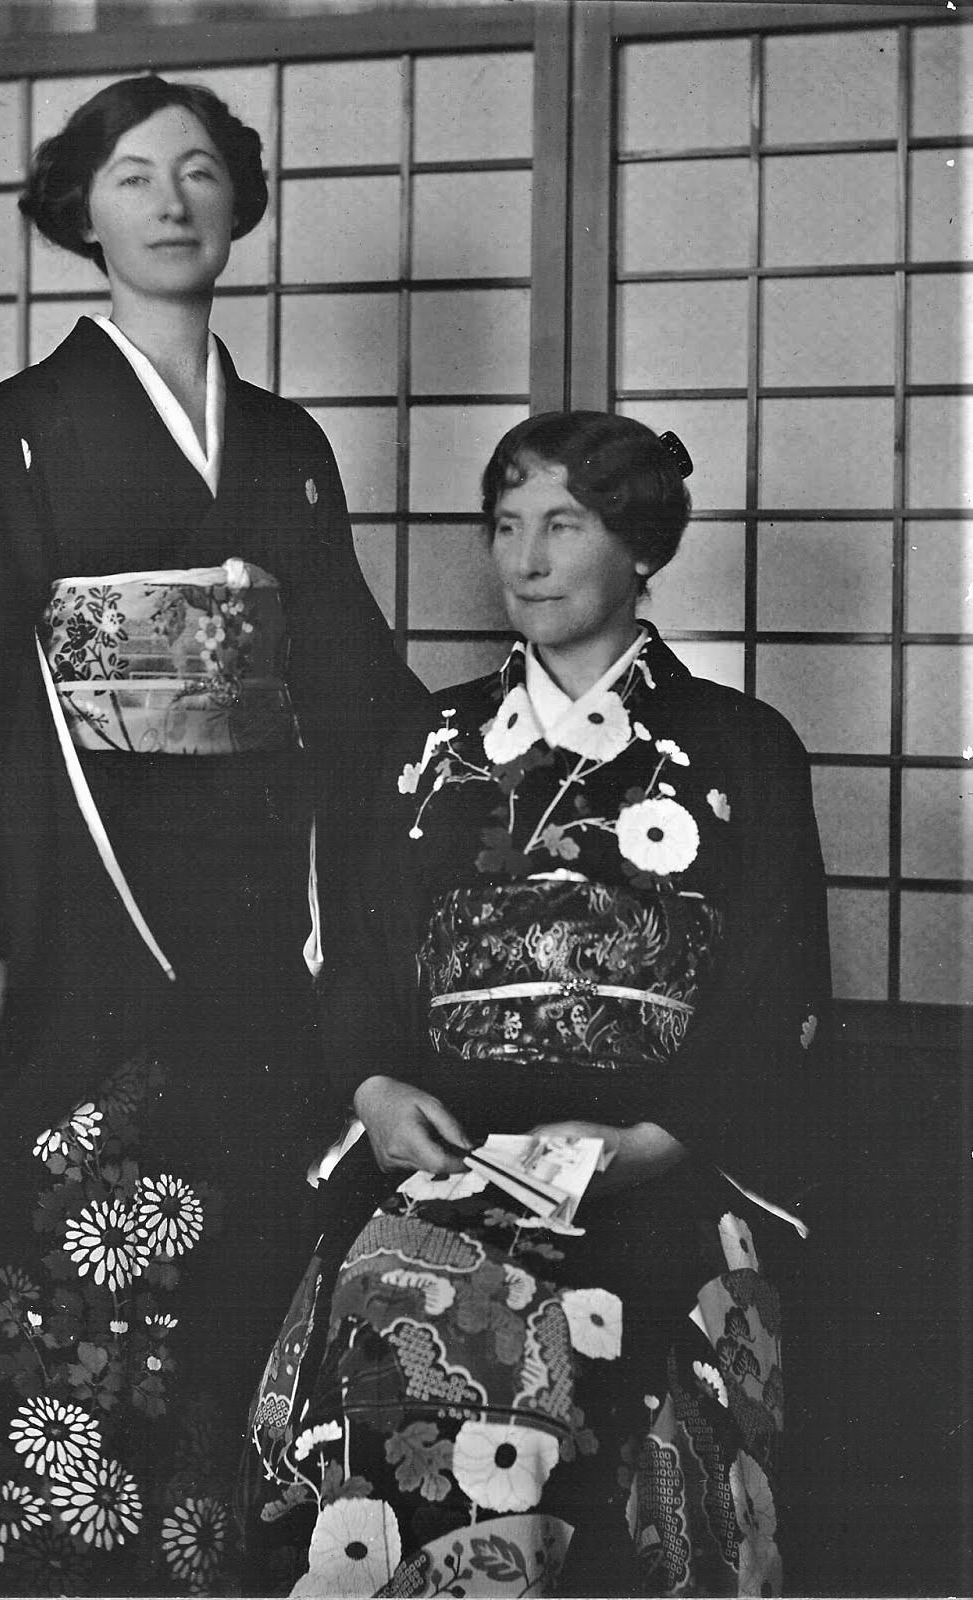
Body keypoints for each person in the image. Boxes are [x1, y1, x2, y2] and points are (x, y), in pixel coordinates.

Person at [0, 75, 425, 1594]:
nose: (173, 200)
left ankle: (205, 1560)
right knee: (67, 1254)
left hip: (250, 909)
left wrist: (481, 759)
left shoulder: (285, 442)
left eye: (203, 174)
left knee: (231, 1250)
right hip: (71, 897)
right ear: (78, 212)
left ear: (238, 203)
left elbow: (348, 675)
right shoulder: (33, 421)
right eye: (134, 175)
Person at [241, 412, 831, 1598]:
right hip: (448, 1144)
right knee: (381, 1324)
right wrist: (374, 1086)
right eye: (506, 526)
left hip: (663, 1149)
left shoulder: (743, 747)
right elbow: (352, 952)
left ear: (642, 545)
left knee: (658, 1357)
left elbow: (779, 989)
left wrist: (654, 1143)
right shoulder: (425, 747)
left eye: (563, 524)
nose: (526, 558)